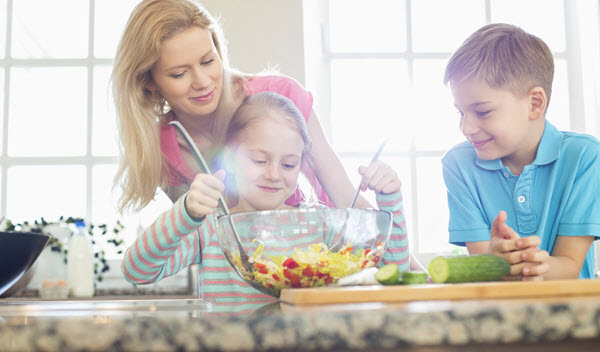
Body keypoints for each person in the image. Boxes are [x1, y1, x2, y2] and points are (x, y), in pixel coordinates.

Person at [121, 92, 417, 311]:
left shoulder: (320, 226)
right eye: (259, 160)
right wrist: (185, 212)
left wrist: (389, 199)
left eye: (289, 165)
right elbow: (137, 270)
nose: (274, 174)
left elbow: (398, 271)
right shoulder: (212, 229)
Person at [111, 0, 371, 214]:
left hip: (323, 261)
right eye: (179, 74)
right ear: (149, 84)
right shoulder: (161, 150)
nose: (203, 82)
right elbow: (199, 239)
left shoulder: (281, 96)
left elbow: (349, 201)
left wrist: (410, 272)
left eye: (208, 61)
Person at [442, 23, 600, 280]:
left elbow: (570, 265)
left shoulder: (583, 157)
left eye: (482, 112)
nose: (466, 127)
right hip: (496, 314)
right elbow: (483, 265)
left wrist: (529, 265)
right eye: (461, 112)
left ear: (534, 104)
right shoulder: (458, 165)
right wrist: (495, 260)